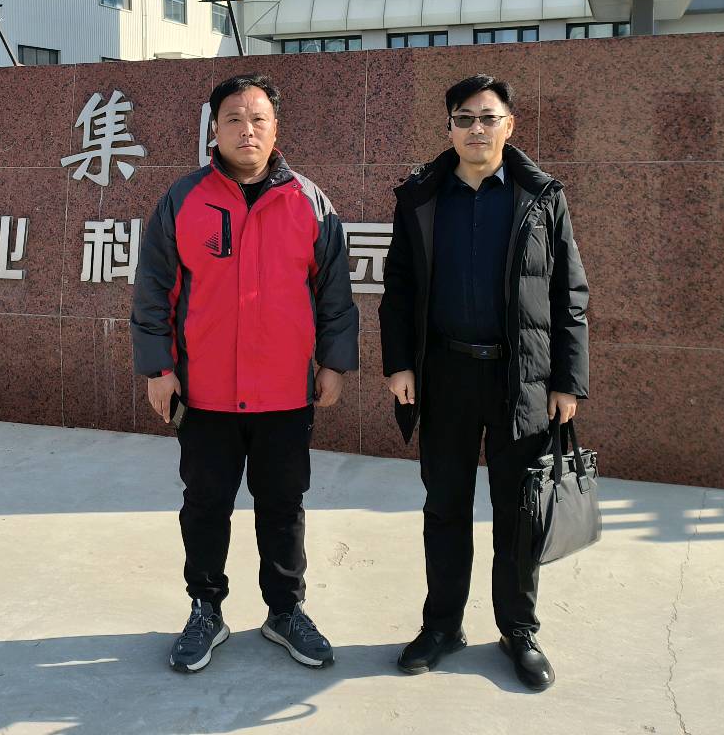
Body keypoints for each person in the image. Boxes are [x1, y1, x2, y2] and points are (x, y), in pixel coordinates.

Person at [131, 72, 359, 674]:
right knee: (205, 504)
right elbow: (154, 290)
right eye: (233, 118)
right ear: (215, 129)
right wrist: (158, 368)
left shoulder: (309, 202)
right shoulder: (184, 200)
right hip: (205, 393)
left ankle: (285, 611)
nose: (247, 130)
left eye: (258, 118)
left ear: (276, 128)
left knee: (283, 505)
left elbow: (335, 294)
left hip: (285, 393)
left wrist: (335, 362)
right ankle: (205, 608)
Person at [379, 72, 589, 691]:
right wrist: (399, 364)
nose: (476, 129)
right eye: (464, 118)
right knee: (445, 507)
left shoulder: (540, 197)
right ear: (449, 127)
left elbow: (569, 292)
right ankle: (442, 625)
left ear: (509, 126)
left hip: (520, 378)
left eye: (488, 118)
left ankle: (518, 629)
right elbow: (399, 289)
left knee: (517, 512)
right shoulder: (421, 197)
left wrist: (567, 381)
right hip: (443, 374)